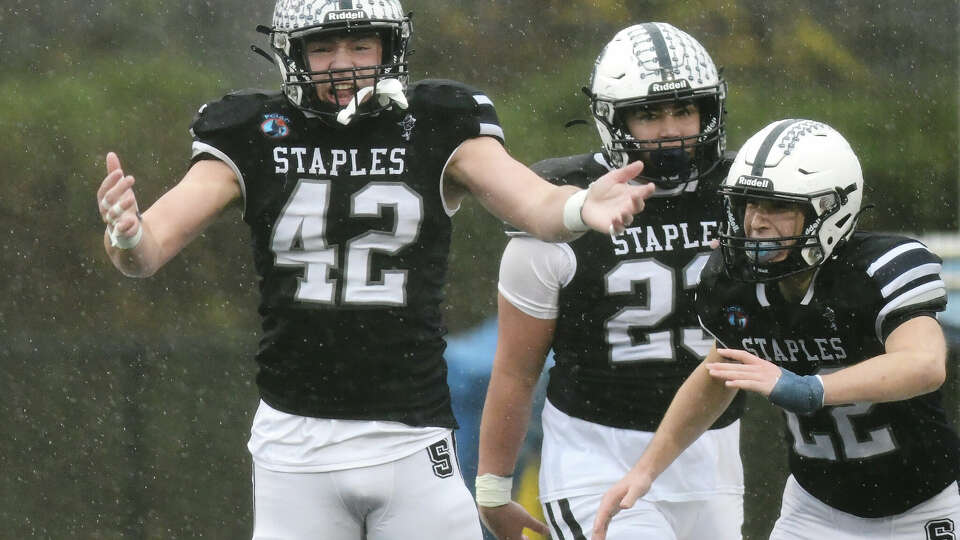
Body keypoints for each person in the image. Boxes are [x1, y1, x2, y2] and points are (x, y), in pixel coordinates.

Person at [94, 1, 655, 539]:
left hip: (411, 433)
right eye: (325, 48)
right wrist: (126, 233)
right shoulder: (252, 130)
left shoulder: (436, 122)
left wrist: (580, 207)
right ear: (293, 54)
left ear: (391, 47)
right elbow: (147, 250)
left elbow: (534, 205)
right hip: (295, 438)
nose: (344, 63)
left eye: (362, 44)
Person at [593, 119, 960, 540]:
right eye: (749, 204)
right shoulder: (737, 285)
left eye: (778, 207)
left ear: (831, 210)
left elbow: (924, 364)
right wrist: (645, 471)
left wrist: (811, 389)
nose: (756, 223)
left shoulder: (879, 269)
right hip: (816, 510)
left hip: (924, 505)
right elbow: (719, 373)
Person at [476, 23, 745, 540]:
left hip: (712, 453)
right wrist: (493, 486)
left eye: (684, 109)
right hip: (595, 454)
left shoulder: (745, 197)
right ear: (613, 120)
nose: (671, 130)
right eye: (648, 114)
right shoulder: (559, 210)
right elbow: (515, 371)